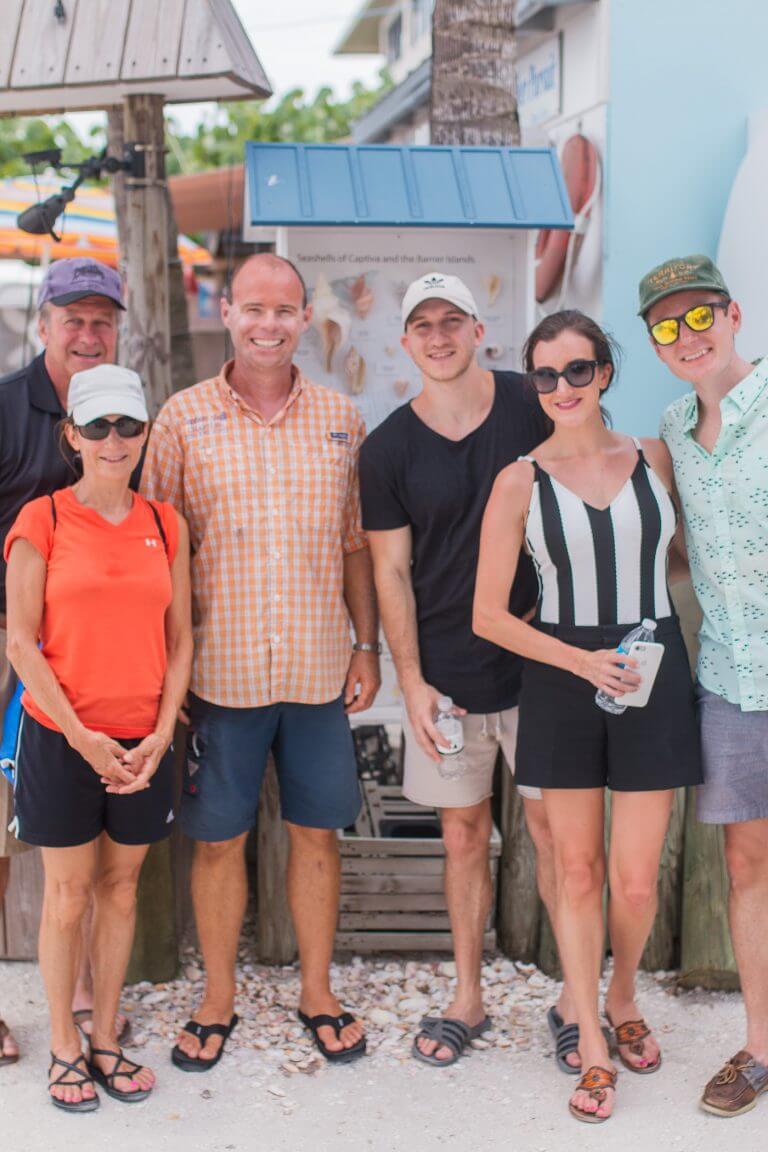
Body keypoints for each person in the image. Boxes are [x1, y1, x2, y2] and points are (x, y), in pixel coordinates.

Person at [141, 252, 380, 1070]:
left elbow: (355, 547)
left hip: (317, 673)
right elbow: (158, 554)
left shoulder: (343, 420)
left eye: (284, 310)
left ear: (304, 316)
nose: (268, 325)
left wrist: (366, 644)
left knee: (317, 836)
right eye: (254, 309)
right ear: (229, 312)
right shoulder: (181, 419)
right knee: (216, 843)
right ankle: (217, 999)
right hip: (219, 677)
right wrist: (162, 672)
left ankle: (317, 990)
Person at [473, 310, 701, 1122]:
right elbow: (489, 616)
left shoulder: (656, 459)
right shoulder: (518, 480)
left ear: (605, 371)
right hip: (562, 680)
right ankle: (591, 1042)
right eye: (544, 375)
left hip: (654, 671)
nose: (561, 388)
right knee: (573, 872)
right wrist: (577, 661)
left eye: (577, 370)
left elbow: (686, 557)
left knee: (636, 880)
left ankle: (623, 994)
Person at [360, 272, 579, 1070]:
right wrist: (409, 682)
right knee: (462, 837)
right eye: (424, 324)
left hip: (542, 672)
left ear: (480, 329)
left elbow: (593, 481)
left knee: (558, 839)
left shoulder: (533, 402)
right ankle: (468, 998)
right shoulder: (386, 447)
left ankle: (577, 1000)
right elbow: (390, 572)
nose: (440, 335)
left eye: (454, 320)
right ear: (406, 342)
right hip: (446, 680)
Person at [4, 364, 192, 1111]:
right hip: (62, 738)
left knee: (121, 892)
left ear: (145, 433)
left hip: (144, 742)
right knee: (68, 895)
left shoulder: (163, 523)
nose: (114, 441)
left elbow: (181, 642)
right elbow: (22, 644)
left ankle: (106, 1035)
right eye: (98, 427)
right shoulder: (40, 521)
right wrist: (82, 738)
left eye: (128, 426)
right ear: (71, 435)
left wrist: (161, 729)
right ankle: (62, 1043)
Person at [640, 254, 768, 1118]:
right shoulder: (674, 425)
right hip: (729, 672)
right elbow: (677, 542)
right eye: (665, 326)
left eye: (699, 318)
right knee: (747, 862)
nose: (687, 337)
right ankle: (761, 1047)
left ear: (732, 315)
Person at [0, 257, 128, 1060]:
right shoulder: (6, 406)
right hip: (10, 638)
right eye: (72, 319)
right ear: (43, 324)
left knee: (83, 812)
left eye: (101, 320)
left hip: (99, 645)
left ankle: (82, 989)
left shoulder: (125, 410)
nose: (87, 334)